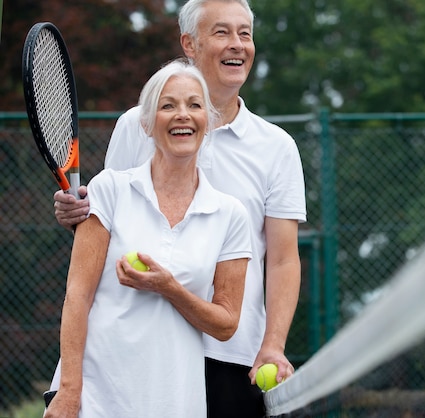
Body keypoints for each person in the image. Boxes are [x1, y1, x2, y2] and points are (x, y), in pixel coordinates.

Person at [53, 0, 307, 416]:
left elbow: (282, 260)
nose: (237, 44)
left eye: (245, 33)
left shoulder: (277, 147)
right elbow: (107, 231)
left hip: (234, 357)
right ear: (188, 43)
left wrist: (272, 344)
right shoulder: (135, 125)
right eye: (222, 32)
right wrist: (74, 217)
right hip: (129, 352)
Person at [44, 60, 252, 417]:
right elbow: (77, 297)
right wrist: (68, 392)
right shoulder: (110, 189)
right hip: (93, 398)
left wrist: (169, 288)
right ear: (146, 123)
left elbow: (226, 324)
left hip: (175, 402)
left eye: (194, 105)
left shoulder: (230, 215)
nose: (182, 115)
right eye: (167, 106)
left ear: (209, 121)